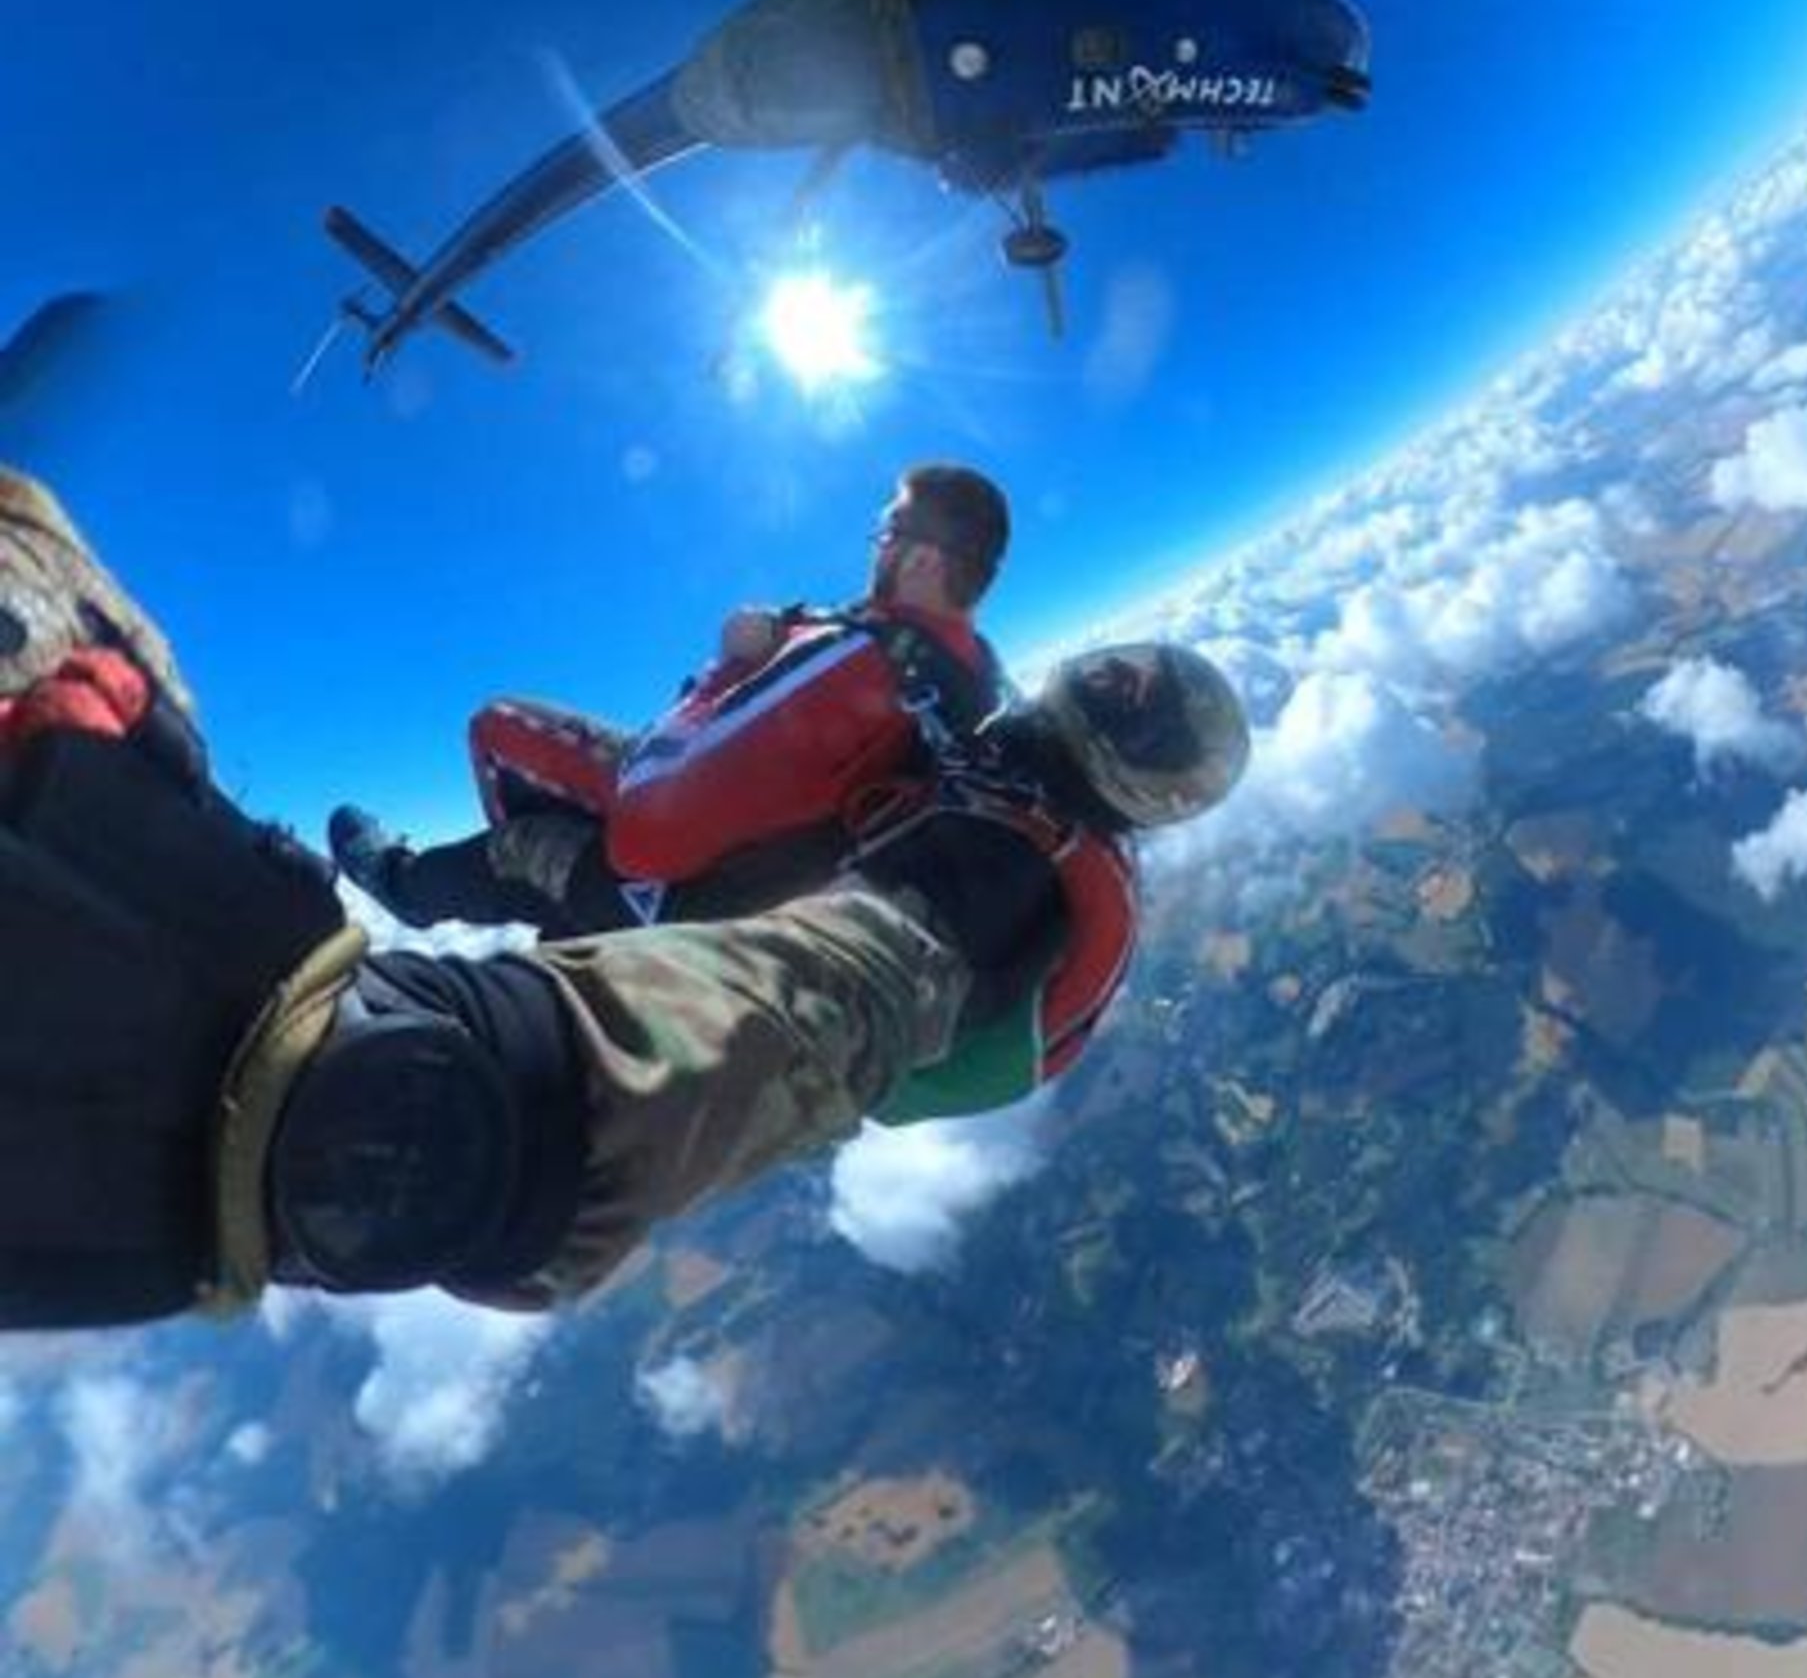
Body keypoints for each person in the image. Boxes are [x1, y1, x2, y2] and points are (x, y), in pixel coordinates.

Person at [0, 468, 1248, 1333]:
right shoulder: (987, 757)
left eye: (1128, 696)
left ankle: (418, 890)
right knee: (541, 850)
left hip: (658, 948)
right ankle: (434, 897)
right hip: (716, 916)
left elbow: (850, 980)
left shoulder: (1006, 860)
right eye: (1122, 673)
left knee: (533, 828)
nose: (1111, 682)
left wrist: (471, 1099)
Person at [326, 461, 1014, 937]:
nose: (876, 547)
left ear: (924, 560)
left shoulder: (857, 663)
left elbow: (650, 832)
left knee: (501, 753)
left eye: (888, 532)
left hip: (677, 890)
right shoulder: (965, 669)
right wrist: (776, 638)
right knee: (520, 741)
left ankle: (414, 890)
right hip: (775, 858)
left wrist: (722, 673)